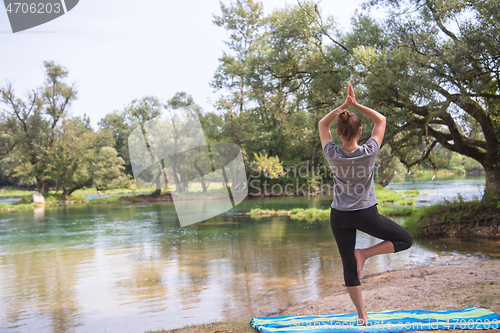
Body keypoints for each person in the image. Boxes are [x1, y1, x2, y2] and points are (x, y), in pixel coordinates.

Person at [318, 84, 413, 325]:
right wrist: (356, 105)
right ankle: (366, 254)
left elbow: (322, 125)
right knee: (405, 240)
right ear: (361, 131)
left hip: (339, 215)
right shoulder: (369, 151)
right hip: (366, 214)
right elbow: (380, 120)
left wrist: (343, 107)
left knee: (348, 266)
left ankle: (362, 316)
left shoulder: (331, 153)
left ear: (338, 132)